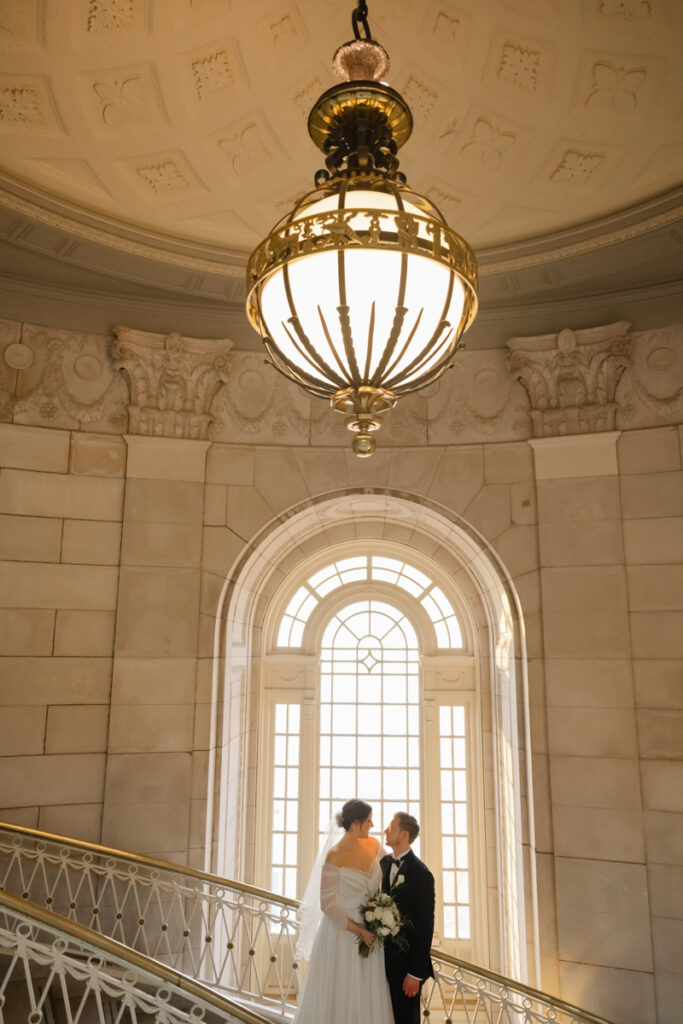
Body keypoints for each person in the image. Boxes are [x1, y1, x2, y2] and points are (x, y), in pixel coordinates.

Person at [293, 799, 394, 1024]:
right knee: (342, 991)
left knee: (368, 994)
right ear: (356, 823)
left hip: (371, 929)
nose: (372, 824)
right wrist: (360, 931)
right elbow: (327, 904)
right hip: (342, 933)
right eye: (368, 821)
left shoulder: (375, 846)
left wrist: (383, 914)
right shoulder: (334, 854)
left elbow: (392, 876)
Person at [381, 812, 435, 1024]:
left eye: (391, 827)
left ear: (404, 835)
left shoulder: (422, 874)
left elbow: (425, 927)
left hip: (406, 968)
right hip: (380, 965)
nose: (386, 830)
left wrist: (415, 973)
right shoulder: (383, 864)